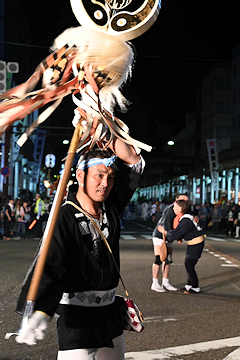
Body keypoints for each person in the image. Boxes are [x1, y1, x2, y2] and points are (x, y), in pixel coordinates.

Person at [15, 137, 144, 359]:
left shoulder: (110, 207)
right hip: (77, 317)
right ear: (81, 176)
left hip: (110, 312)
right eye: (99, 176)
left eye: (110, 177)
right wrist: (40, 309)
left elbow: (133, 162)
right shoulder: (63, 215)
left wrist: (106, 131)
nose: (105, 183)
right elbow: (52, 263)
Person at [158, 199, 204, 294]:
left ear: (180, 208)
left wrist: (164, 232)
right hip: (195, 243)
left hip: (196, 244)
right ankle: (190, 284)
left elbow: (176, 233)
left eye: (175, 207)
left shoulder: (186, 220)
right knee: (188, 264)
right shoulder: (187, 217)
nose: (173, 208)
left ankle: (195, 286)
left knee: (189, 265)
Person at [151, 193, 189, 292]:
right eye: (182, 200)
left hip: (168, 236)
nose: (185, 202)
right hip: (160, 235)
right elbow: (167, 227)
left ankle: (166, 282)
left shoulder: (182, 210)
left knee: (168, 259)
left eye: (186, 201)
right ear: (177, 200)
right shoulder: (170, 210)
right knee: (159, 258)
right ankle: (155, 283)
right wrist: (176, 236)